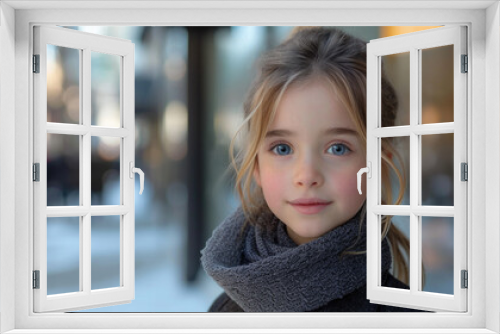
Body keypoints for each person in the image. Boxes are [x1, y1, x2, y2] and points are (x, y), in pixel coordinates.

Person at [200, 27, 416, 312]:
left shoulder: (403, 318)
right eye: (283, 149)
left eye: (337, 148)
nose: (307, 176)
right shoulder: (223, 311)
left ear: (378, 164)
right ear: (256, 166)